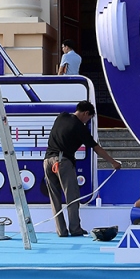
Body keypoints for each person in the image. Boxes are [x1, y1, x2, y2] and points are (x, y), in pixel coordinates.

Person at [44, 100, 121, 236]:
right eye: (89, 118)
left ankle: (61, 231)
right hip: (62, 162)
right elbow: (96, 148)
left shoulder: (61, 116)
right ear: (86, 113)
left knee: (54, 198)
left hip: (47, 161)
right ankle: (75, 229)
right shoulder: (80, 127)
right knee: (72, 197)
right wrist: (113, 162)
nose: (87, 121)